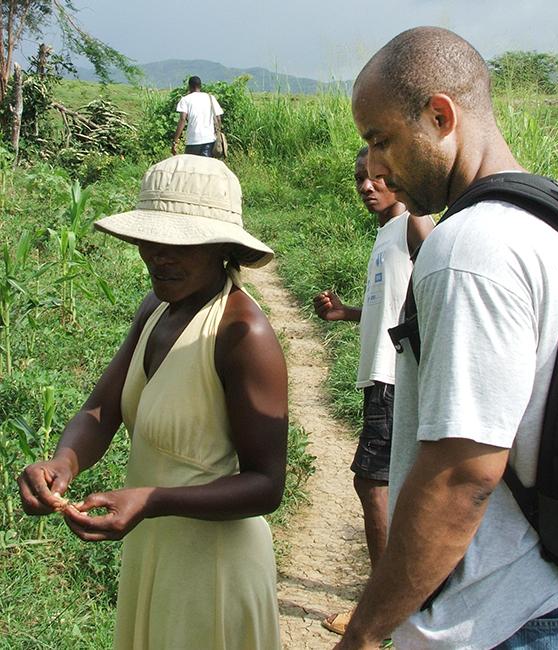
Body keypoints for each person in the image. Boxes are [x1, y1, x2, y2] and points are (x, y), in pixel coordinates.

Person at [336, 26, 558, 650]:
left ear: (440, 115)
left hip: (506, 616)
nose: (374, 167)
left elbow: (460, 478)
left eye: (380, 140)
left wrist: (364, 633)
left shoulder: (468, 248)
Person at [18, 155, 287, 650]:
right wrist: (63, 461)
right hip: (155, 551)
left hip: (213, 570)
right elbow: (102, 410)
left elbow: (266, 486)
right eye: (151, 239)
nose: (160, 255)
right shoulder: (157, 307)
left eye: (180, 243)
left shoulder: (242, 334)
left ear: (223, 247)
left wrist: (153, 500)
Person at [313, 145, 433, 636]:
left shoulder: (410, 224)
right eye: (360, 177)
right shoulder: (386, 233)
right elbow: (391, 310)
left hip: (393, 377)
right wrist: (346, 314)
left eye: (378, 176)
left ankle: (381, 614)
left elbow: (435, 261)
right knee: (390, 484)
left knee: (373, 483)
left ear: (398, 177)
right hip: (382, 375)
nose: (367, 185)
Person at [171, 76, 224, 157]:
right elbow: (218, 118)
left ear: (189, 87)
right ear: (200, 86)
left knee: (191, 167)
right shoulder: (210, 98)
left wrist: (175, 141)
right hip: (209, 139)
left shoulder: (185, 100)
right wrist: (217, 133)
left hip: (193, 140)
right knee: (206, 167)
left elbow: (182, 119)